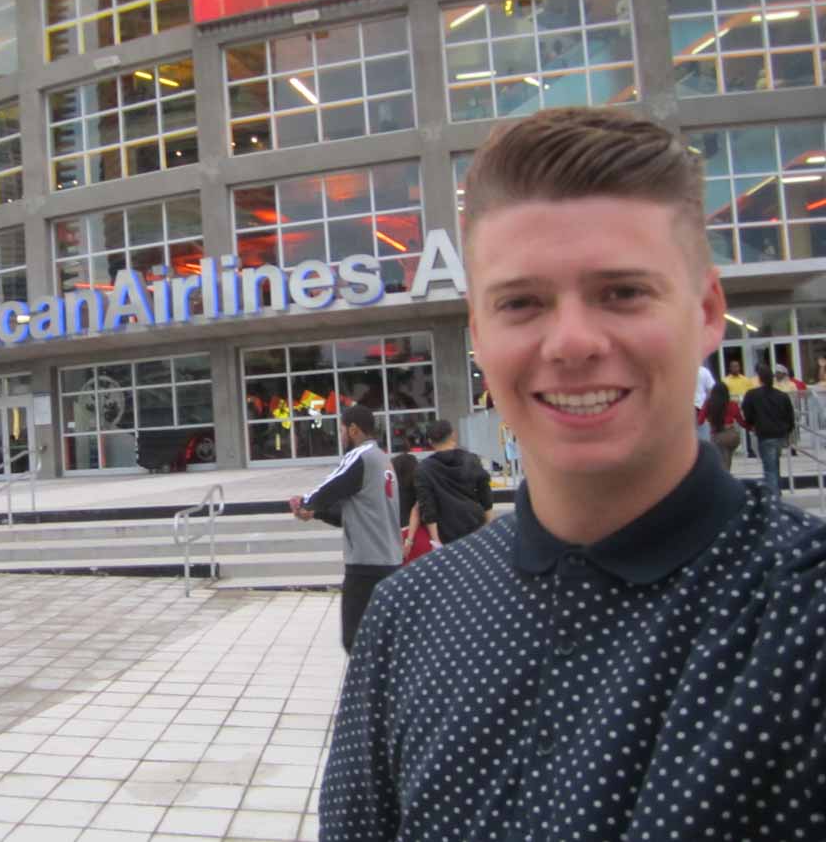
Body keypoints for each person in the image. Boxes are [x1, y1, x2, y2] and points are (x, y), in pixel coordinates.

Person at [319, 107, 826, 840]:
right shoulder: (409, 617)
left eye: (622, 292)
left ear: (708, 311)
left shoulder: (802, 624)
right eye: (522, 302)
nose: (574, 342)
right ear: (480, 337)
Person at [288, 405, 401, 654]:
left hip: (365, 564)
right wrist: (316, 512)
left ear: (353, 429)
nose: (340, 436)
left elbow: (329, 487)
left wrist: (304, 502)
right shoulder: (383, 459)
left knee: (354, 640)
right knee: (382, 641)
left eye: (341, 430)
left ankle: (364, 690)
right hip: (390, 560)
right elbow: (352, 513)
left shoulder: (361, 455)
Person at [413, 418, 493, 545]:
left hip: (446, 532)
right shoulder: (471, 459)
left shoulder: (424, 469)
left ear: (430, 442)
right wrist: (490, 527)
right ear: (453, 435)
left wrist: (435, 540)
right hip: (475, 526)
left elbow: (428, 507)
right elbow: (485, 495)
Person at [742, 363, 796, 497]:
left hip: (765, 434)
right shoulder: (782, 396)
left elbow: (746, 411)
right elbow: (790, 415)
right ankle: (777, 491)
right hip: (779, 434)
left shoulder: (752, 395)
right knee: (775, 464)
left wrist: (752, 423)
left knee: (769, 468)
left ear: (759, 378)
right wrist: (788, 431)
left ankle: (773, 496)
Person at [697, 380, 748, 470]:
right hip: (732, 435)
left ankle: (725, 479)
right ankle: (727, 474)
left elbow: (700, 421)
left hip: (718, 435)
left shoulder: (709, 404)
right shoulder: (733, 404)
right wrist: (752, 427)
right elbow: (741, 422)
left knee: (722, 462)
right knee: (727, 459)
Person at [693, 363, 715, 441]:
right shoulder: (704, 371)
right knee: (703, 438)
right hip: (700, 407)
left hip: (684, 410)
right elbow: (711, 390)